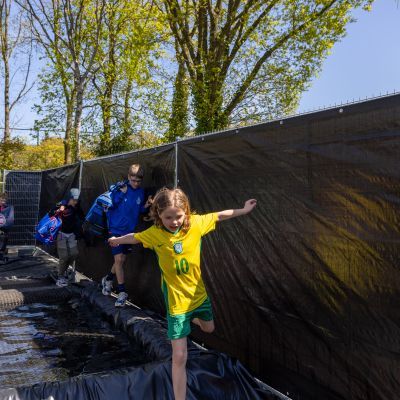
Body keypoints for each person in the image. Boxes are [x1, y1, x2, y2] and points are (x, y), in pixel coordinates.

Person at [108, 187, 257, 400]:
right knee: (179, 357)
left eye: (178, 216)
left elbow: (219, 215)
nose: (174, 221)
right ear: (158, 215)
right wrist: (118, 240)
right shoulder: (156, 234)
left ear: (185, 211)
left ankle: (192, 318)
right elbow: (136, 237)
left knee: (209, 328)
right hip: (177, 304)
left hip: (198, 297)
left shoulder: (195, 224)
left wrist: (243, 210)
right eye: (168, 217)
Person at [101, 164, 152, 307]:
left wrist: (146, 206)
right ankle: (122, 292)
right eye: (133, 180)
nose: (135, 183)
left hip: (129, 231)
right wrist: (122, 193)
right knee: (118, 259)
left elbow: (138, 209)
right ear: (129, 177)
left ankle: (108, 279)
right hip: (115, 229)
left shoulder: (140, 192)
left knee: (121, 259)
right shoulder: (120, 188)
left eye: (138, 181)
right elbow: (111, 205)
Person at [49, 188, 84, 287]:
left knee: (74, 254)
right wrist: (58, 210)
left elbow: (82, 216)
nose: (75, 202)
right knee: (64, 257)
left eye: (77, 200)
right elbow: (50, 214)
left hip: (72, 234)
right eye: (74, 200)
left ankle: (63, 270)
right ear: (69, 198)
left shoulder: (77, 206)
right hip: (61, 234)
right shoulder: (61, 204)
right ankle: (60, 277)